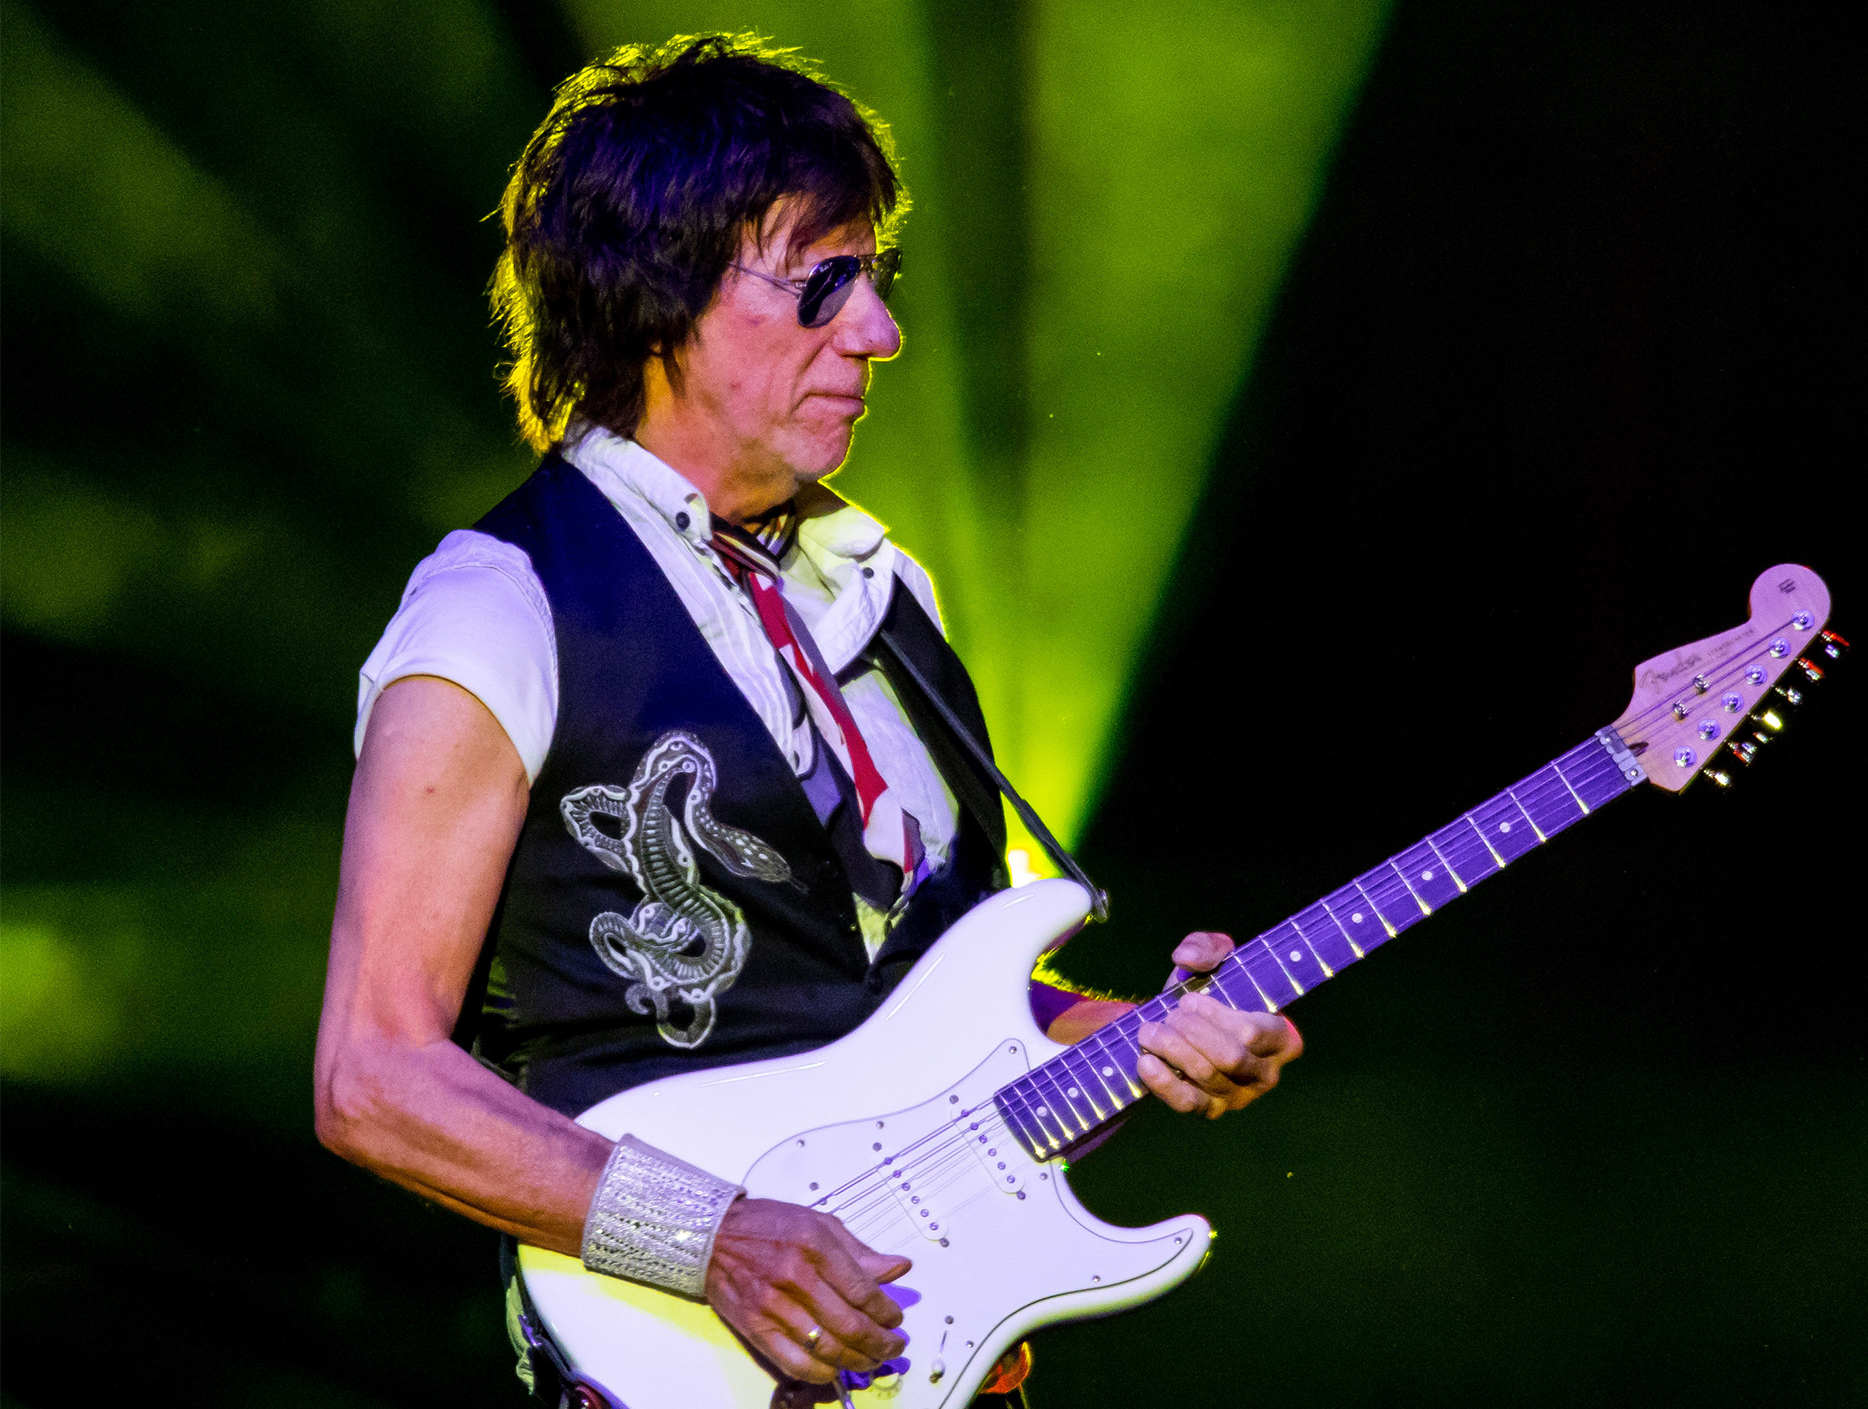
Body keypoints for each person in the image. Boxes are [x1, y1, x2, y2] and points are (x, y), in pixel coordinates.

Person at [313, 35, 1302, 1397]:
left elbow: (948, 1011)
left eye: (877, 279)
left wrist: (1147, 1034)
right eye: (823, 283)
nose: (881, 333)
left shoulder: (887, 593)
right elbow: (375, 1076)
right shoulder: (501, 604)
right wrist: (712, 1242)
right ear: (657, 296)